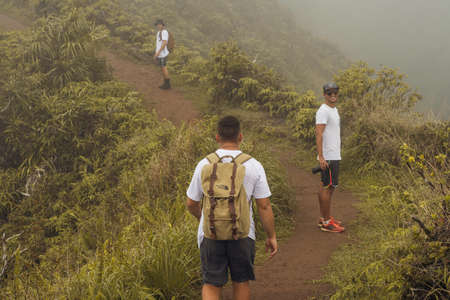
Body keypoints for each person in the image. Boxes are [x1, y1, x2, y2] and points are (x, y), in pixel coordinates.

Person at [186, 116, 278, 300]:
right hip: (243, 233)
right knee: (241, 281)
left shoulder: (204, 164)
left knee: (211, 283)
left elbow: (191, 203)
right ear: (240, 137)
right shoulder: (254, 165)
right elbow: (264, 206)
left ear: (217, 137)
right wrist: (271, 236)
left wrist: (203, 219)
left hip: (210, 233)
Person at [315, 82, 345, 233]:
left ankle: (324, 218)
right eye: (329, 93)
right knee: (328, 188)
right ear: (324, 94)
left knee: (326, 186)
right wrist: (321, 156)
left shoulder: (333, 110)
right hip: (329, 156)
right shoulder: (323, 111)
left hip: (333, 154)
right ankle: (327, 222)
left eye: (335, 92)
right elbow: (319, 133)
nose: (333, 96)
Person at [154, 19, 171, 89]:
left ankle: (167, 84)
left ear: (162, 25)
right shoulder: (159, 32)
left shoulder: (164, 32)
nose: (157, 26)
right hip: (160, 54)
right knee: (162, 68)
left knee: (164, 68)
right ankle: (165, 83)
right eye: (157, 25)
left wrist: (157, 53)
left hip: (162, 54)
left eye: (159, 24)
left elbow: (164, 43)